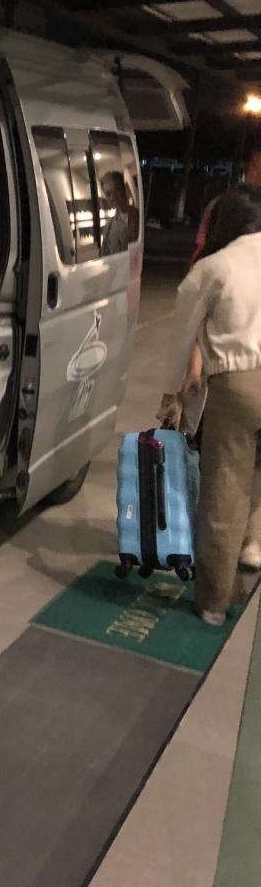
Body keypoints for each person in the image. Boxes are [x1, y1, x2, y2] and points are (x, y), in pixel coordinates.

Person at [158, 185, 261, 625]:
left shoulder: (214, 267)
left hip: (240, 383)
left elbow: (182, 338)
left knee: (226, 488)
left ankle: (214, 603)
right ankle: (254, 546)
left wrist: (170, 394)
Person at [100, 171, 137, 256]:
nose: (111, 198)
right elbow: (105, 257)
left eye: (116, 190)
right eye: (107, 194)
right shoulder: (108, 228)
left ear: (122, 190)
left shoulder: (140, 218)